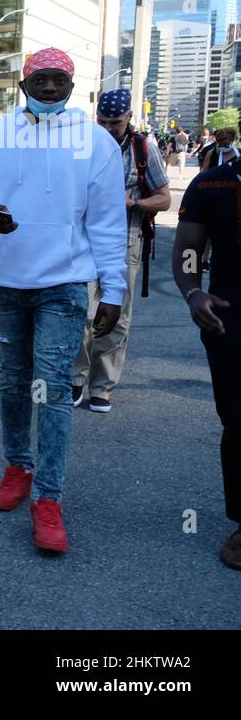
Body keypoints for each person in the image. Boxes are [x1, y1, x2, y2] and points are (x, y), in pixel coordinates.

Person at [0, 48, 127, 553]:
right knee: (12, 382)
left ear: (72, 85)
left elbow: (108, 223)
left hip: (66, 284)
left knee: (51, 387)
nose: (50, 88)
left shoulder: (96, 142)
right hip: (8, 284)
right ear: (23, 83)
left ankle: (48, 497)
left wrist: (113, 289)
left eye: (59, 80)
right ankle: (18, 467)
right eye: (40, 79)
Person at [71, 89, 171, 412]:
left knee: (117, 316)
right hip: (85, 242)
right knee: (80, 312)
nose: (108, 128)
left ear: (128, 118)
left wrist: (133, 203)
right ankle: (75, 378)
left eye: (115, 122)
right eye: (102, 121)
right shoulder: (84, 145)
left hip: (126, 241)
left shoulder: (144, 149)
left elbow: (164, 198)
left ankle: (102, 386)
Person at [172, 149, 241, 570]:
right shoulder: (213, 184)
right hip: (230, 320)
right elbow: (188, 249)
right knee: (239, 421)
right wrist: (193, 291)